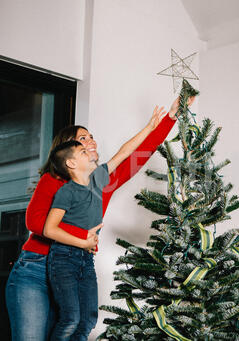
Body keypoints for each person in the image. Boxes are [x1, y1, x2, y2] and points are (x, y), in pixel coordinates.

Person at [5, 96, 193, 340]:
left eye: (91, 136)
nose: (90, 140)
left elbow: (139, 154)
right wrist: (83, 238)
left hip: (74, 269)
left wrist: (170, 118)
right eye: (82, 139)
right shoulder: (53, 181)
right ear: (69, 154)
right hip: (36, 269)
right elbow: (35, 222)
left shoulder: (104, 181)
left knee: (78, 328)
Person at [44, 110, 165, 340]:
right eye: (82, 147)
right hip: (64, 258)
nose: (91, 145)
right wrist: (83, 240)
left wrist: (150, 128)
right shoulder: (65, 192)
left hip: (85, 261)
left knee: (88, 320)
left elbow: (125, 151)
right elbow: (50, 229)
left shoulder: (99, 177)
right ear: (71, 162)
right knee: (70, 319)